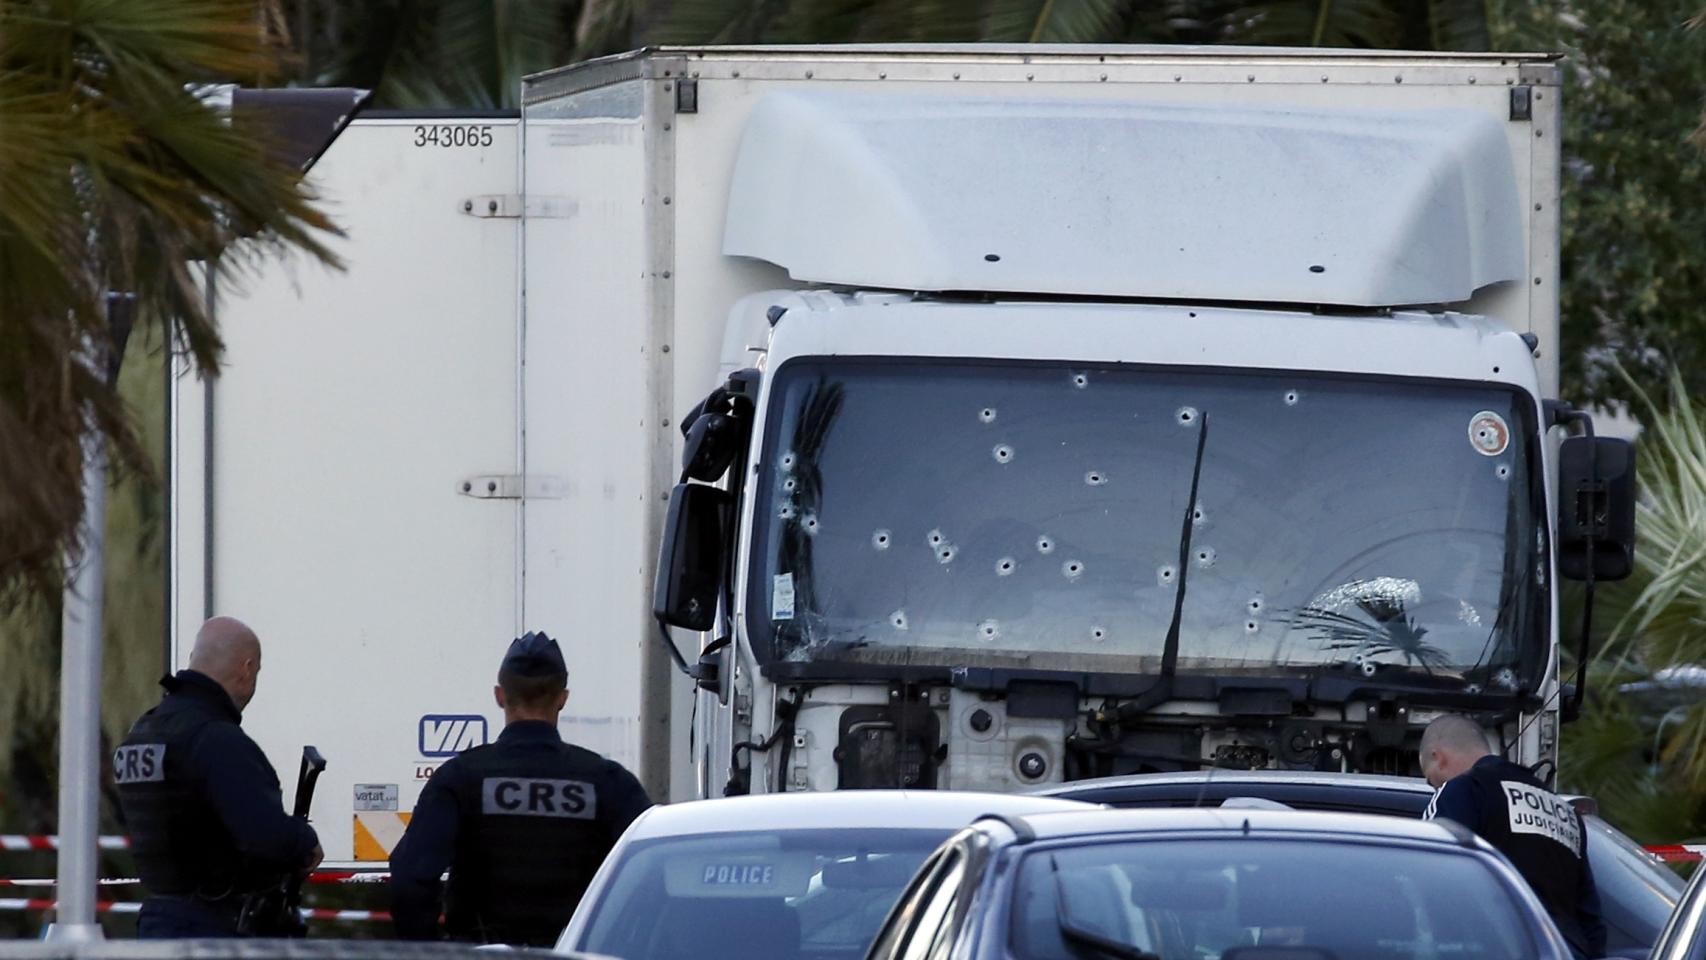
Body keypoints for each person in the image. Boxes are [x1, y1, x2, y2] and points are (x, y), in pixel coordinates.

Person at [389, 631, 653, 946]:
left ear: (500, 695)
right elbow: (649, 876)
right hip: (577, 951)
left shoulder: (461, 777)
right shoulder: (607, 782)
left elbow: (411, 878)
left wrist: (427, 950)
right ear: (563, 698)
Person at [113, 616, 322, 937]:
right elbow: (266, 837)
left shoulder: (143, 731)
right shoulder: (216, 739)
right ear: (246, 668)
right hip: (215, 927)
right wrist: (304, 840)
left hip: (159, 922)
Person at [1420, 715, 1607, 960]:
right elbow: (1590, 918)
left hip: (1495, 948)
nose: (1434, 786)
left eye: (1430, 779)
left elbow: (1428, 877)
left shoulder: (1462, 790)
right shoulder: (1562, 810)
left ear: (1438, 757)